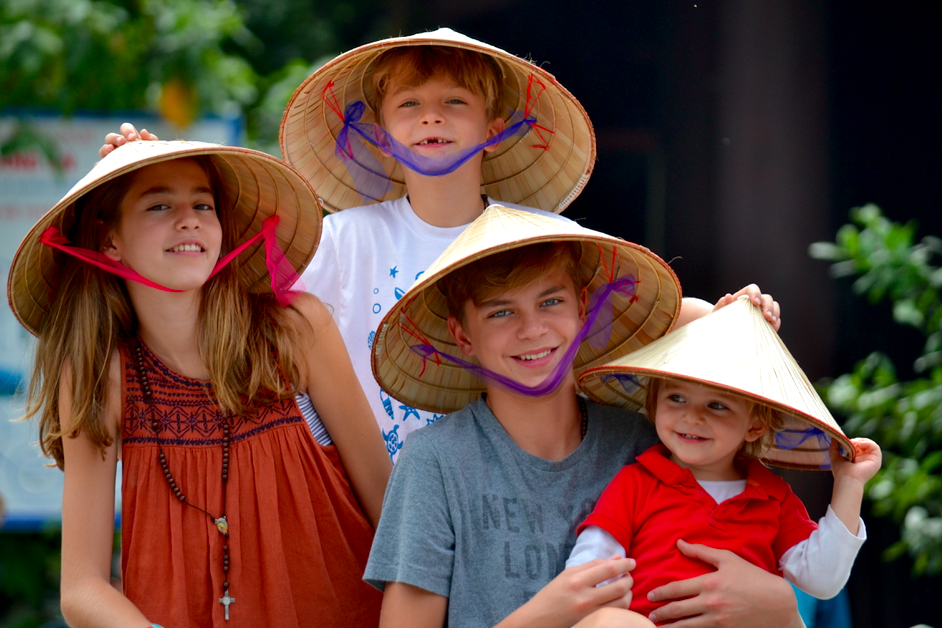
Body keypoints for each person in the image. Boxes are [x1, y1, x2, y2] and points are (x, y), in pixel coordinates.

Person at [102, 29, 780, 461]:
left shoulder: (545, 242)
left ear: (496, 123)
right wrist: (146, 176)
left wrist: (732, 314)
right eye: (409, 105)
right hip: (365, 493)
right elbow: (233, 314)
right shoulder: (343, 241)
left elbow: (644, 320)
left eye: (454, 102)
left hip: (507, 491)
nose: (430, 116)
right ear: (377, 133)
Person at [363, 204, 804, 628]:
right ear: (463, 335)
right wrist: (550, 613)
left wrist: (783, 611)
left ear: (581, 305)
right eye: (501, 312)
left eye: (550, 303)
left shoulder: (651, 442)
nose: (532, 329)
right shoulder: (437, 462)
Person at [9, 140, 391, 627]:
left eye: (203, 204)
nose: (188, 218)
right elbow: (81, 589)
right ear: (110, 242)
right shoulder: (102, 373)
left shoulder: (293, 331)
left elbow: (391, 512)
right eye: (160, 204)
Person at [569, 296, 882, 625]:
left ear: (755, 426)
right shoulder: (637, 482)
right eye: (676, 397)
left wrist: (849, 484)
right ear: (654, 402)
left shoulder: (773, 497)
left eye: (716, 405)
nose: (691, 417)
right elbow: (591, 567)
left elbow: (822, 580)